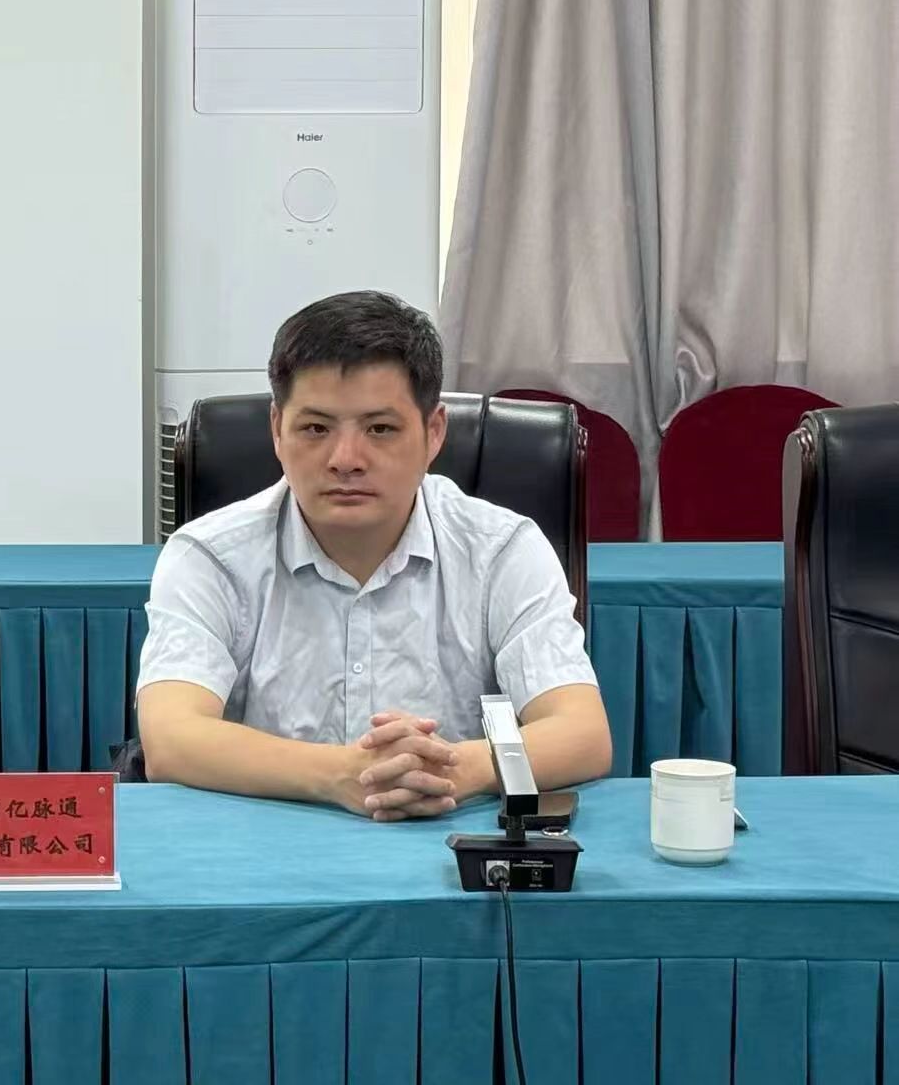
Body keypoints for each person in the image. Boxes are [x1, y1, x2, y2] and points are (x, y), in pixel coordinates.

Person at [136, 291, 611, 820]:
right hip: (263, 847)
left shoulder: (501, 549)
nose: (346, 460)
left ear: (434, 432)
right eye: (316, 429)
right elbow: (170, 738)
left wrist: (455, 769)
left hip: (450, 844)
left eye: (380, 429)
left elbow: (582, 732)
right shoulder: (210, 556)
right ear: (277, 430)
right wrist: (341, 775)